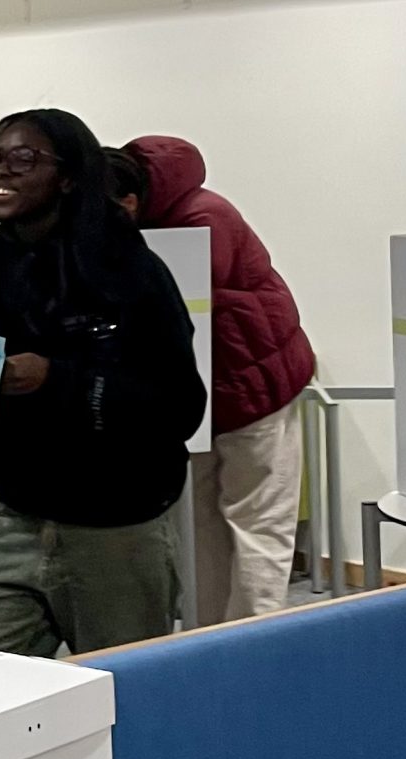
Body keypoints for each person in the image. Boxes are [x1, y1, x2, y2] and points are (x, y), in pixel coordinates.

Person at [0, 110, 205, 657]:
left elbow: (180, 407)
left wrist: (56, 378)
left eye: (23, 159)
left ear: (66, 177)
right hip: (17, 516)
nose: (0, 172)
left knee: (122, 693)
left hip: (118, 527)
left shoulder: (130, 268)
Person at [117, 136, 316, 622]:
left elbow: (184, 288)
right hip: (205, 392)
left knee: (259, 522)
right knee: (201, 524)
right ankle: (211, 638)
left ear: (130, 199)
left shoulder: (202, 218)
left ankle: (256, 642)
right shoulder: (174, 214)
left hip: (255, 388)